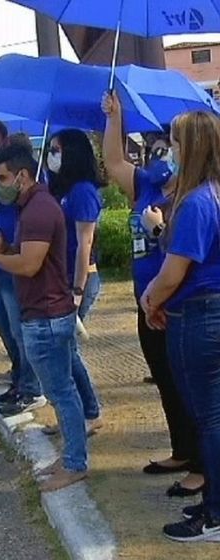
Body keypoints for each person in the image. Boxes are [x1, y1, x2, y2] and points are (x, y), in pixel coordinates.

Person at [0, 145, 89, 492]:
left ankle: (75, 463)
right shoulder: (32, 207)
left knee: (61, 392)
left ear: (22, 175)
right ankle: (72, 457)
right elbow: (31, 256)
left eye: (2, 177)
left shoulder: (38, 210)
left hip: (46, 315)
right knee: (63, 391)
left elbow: (30, 265)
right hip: (44, 312)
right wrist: (2, 249)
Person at [101, 92, 203, 498]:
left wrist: (159, 227)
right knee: (164, 379)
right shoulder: (147, 184)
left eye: (169, 149)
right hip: (148, 301)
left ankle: (200, 465)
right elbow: (113, 162)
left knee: (188, 386)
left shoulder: (195, 195)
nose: (162, 157)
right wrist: (114, 119)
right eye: (156, 150)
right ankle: (182, 451)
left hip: (178, 306)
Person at [140, 110, 220, 542]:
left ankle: (214, 514)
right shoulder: (215, 194)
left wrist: (150, 298)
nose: (167, 148)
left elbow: (173, 273)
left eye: (172, 140)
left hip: (199, 317)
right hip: (210, 312)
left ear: (188, 146)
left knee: (208, 418)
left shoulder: (195, 202)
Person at [0, 121, 44, 417]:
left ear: (4, 141)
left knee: (18, 329)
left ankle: (32, 387)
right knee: (3, 326)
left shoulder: (17, 177)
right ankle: (18, 377)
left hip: (10, 260)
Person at [47, 129, 103, 322]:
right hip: (62, 274)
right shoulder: (62, 190)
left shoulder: (83, 191)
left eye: (56, 150)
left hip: (79, 277)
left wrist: (77, 290)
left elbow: (85, 243)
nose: (51, 155)